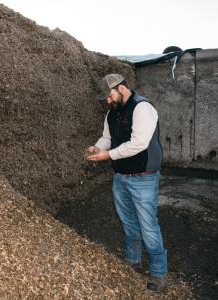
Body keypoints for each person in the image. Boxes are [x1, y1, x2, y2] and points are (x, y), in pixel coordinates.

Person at [86, 74, 167, 292]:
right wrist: (97, 147)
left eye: (110, 95)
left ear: (121, 88)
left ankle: (159, 273)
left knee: (148, 226)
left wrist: (108, 156)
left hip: (144, 176)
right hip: (121, 177)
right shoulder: (111, 112)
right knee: (129, 223)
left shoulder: (142, 108)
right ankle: (133, 261)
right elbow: (107, 137)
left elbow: (138, 143)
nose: (108, 101)